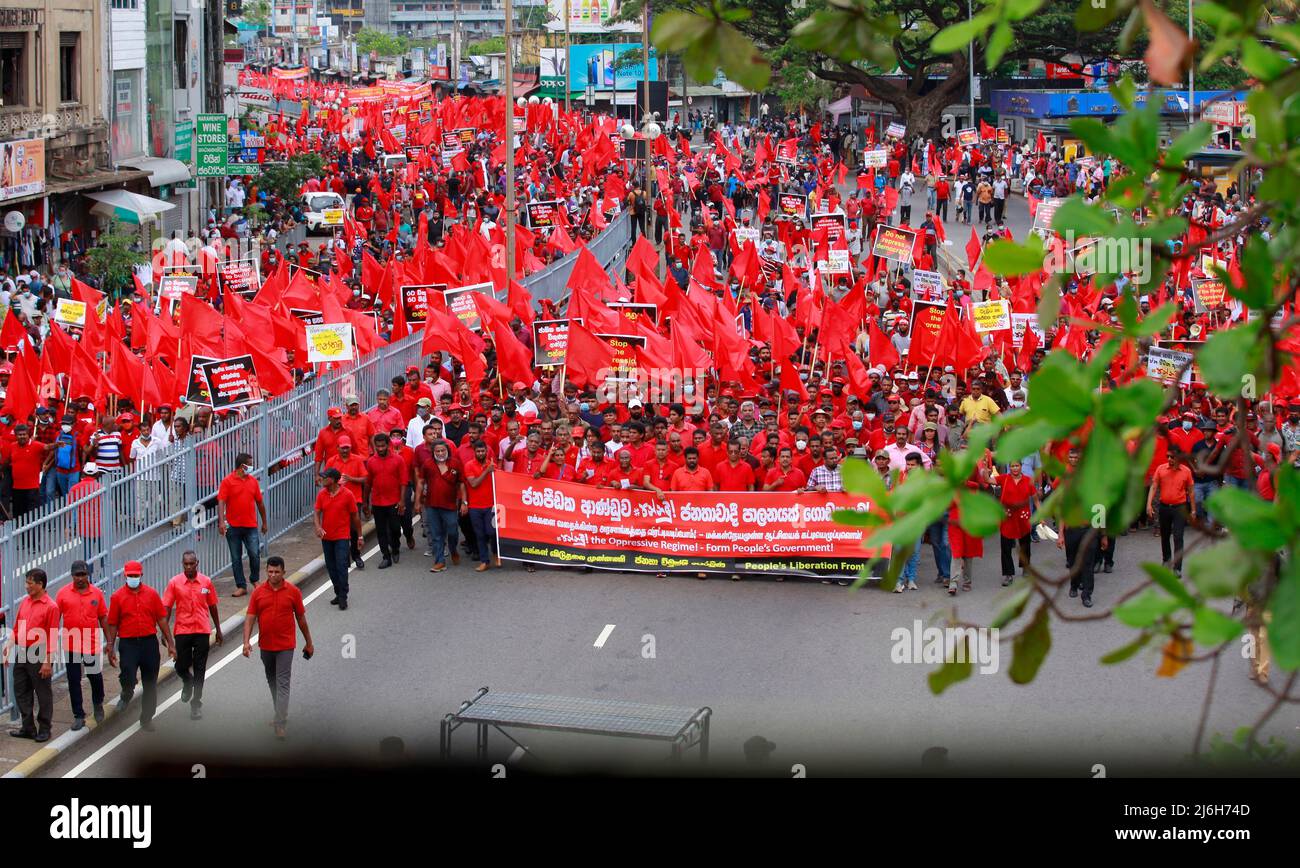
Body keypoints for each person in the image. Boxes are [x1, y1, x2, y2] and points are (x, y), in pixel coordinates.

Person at [243, 555, 313, 740]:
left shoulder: (293, 592)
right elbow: (250, 617)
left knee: (282, 683)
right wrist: (246, 642)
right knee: (272, 681)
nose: (273, 575)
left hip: (285, 646)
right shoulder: (258, 593)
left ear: (284, 573)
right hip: (266, 645)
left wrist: (309, 642)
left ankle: (280, 723)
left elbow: (301, 619)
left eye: (277, 572)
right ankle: (279, 713)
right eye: (270, 571)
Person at [105, 560, 176, 731]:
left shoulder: (151, 595)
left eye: (136, 576)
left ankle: (146, 718)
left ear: (141, 575)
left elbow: (161, 619)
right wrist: (110, 646)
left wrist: (171, 643)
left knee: (150, 683)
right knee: (128, 675)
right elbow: (113, 623)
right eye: (130, 576)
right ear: (125, 576)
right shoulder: (117, 597)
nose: (133, 578)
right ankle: (127, 692)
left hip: (148, 643)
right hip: (128, 644)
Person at [4, 569, 60, 741]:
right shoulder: (25, 603)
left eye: (29, 583)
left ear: (40, 584)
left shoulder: (51, 607)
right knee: (20, 690)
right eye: (26, 582)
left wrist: (47, 662)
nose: (26, 586)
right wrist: (8, 647)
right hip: (22, 651)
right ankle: (28, 727)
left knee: (42, 692)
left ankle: (45, 728)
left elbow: (52, 636)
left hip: (39, 652)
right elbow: (17, 627)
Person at [55, 560, 108, 730]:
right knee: (73, 680)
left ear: (88, 575)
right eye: (77, 575)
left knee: (95, 676)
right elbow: (55, 618)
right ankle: (78, 714)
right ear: (72, 576)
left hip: (91, 643)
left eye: (83, 574)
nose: (80, 578)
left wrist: (110, 641)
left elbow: (103, 618)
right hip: (71, 644)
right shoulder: (63, 594)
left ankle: (98, 703)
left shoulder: (97, 593)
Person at [217, 452, 268, 597]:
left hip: (250, 525)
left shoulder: (253, 481)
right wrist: (221, 521)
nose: (251, 467)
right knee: (235, 557)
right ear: (242, 466)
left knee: (254, 553)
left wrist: (264, 522)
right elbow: (221, 501)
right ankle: (241, 585)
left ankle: (254, 579)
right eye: (250, 464)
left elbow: (260, 503)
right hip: (233, 526)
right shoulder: (227, 481)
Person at [315, 467, 361, 610]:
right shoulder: (322, 494)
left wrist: (359, 535)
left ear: (333, 480)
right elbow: (317, 513)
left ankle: (343, 596)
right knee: (331, 566)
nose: (322, 479)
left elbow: (355, 517)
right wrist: (318, 527)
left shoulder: (347, 495)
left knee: (341, 565)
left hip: (342, 536)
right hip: (327, 537)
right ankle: (338, 591)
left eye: (325, 477)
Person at [416, 439, 465, 572]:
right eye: (437, 451)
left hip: (450, 505)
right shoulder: (427, 464)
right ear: (433, 452)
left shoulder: (455, 463)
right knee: (436, 534)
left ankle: (453, 549)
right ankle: (439, 561)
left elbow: (461, 484)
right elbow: (420, 482)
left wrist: (464, 502)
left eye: (443, 450)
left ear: (447, 451)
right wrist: (417, 501)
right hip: (431, 505)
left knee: (453, 531)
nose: (440, 453)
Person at [1147, 450, 1196, 575]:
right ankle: (1166, 559)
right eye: (1167, 456)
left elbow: (1191, 492)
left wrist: (1194, 510)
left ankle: (1177, 568)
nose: (1169, 459)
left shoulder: (1186, 471)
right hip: (1164, 507)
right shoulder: (1161, 469)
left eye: (1172, 457)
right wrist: (1149, 504)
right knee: (1165, 535)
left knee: (1178, 536)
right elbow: (1154, 486)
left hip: (1180, 507)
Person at [365, 433, 409, 569]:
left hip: (394, 501)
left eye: (382, 446)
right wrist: (366, 502)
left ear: (388, 445)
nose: (380, 449)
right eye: (377, 446)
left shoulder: (398, 460)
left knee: (395, 528)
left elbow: (403, 482)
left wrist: (402, 501)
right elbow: (368, 483)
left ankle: (395, 547)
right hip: (378, 502)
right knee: (381, 531)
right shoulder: (371, 461)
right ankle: (386, 556)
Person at [997, 461, 1037, 587]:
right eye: (1012, 466)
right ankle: (1008, 574)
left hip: (1023, 517)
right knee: (1006, 547)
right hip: (1007, 517)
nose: (1015, 468)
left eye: (1017, 466)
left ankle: (1025, 566)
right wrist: (983, 468)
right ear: (1009, 467)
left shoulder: (1028, 480)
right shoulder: (1004, 478)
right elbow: (988, 480)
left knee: (1025, 544)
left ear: (1021, 466)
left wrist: (1040, 516)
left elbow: (1035, 499)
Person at [462, 440, 499, 571]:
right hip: (475, 507)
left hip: (491, 505)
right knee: (480, 534)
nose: (481, 453)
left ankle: (496, 553)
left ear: (486, 451)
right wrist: (486, 471)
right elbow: (473, 484)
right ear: (474, 452)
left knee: (493, 533)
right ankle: (485, 561)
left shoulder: (492, 465)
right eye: (478, 451)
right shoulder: (469, 465)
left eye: (483, 451)